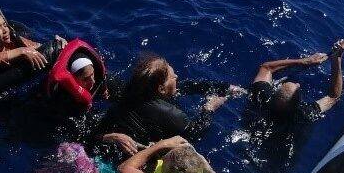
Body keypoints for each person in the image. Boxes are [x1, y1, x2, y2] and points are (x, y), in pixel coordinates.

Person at [96, 53, 243, 151]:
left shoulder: (131, 89)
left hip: (106, 134)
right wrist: (209, 108)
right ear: (161, 89)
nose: (177, 76)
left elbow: (187, 86)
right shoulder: (171, 115)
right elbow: (194, 134)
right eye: (173, 77)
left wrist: (224, 87)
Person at [250, 38, 344, 124]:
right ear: (298, 105)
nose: (298, 84)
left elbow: (266, 68)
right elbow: (333, 96)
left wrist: (304, 61)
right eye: (297, 86)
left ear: (274, 93)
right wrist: (337, 58)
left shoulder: (262, 96)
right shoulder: (303, 114)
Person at [0, 10, 65, 73]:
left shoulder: (15, 39)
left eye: (5, 25)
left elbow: (38, 47)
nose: (5, 30)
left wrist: (56, 42)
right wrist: (21, 51)